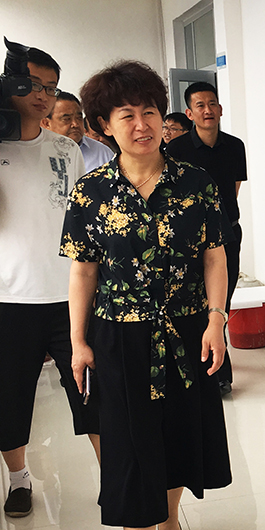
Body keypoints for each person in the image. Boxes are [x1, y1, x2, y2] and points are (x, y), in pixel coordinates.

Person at [62, 60, 233, 530]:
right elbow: (83, 270)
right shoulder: (90, 192)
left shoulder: (196, 183)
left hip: (186, 330)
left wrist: (216, 318)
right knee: (128, 442)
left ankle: (170, 519)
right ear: (104, 125)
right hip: (119, 336)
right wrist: (78, 341)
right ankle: (140, 521)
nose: (142, 125)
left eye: (150, 112)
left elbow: (214, 256)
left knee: (178, 432)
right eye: (127, 115)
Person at [0, 46, 99, 519]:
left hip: (69, 296)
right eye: (34, 85)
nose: (43, 95)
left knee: (94, 393)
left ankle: (114, 477)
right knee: (10, 400)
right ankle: (19, 479)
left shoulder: (66, 150)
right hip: (9, 298)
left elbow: (84, 224)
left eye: (51, 87)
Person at [166, 81, 247, 395]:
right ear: (189, 113)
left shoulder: (235, 146)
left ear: (220, 109)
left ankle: (218, 372)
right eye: (199, 105)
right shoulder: (176, 150)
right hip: (189, 240)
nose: (207, 110)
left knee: (220, 304)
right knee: (194, 303)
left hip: (227, 234)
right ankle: (202, 369)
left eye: (212, 103)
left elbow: (233, 190)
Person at [42, 91, 114, 171]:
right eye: (67, 119)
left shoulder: (102, 153)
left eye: (79, 118)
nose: (75, 124)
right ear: (46, 123)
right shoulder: (37, 153)